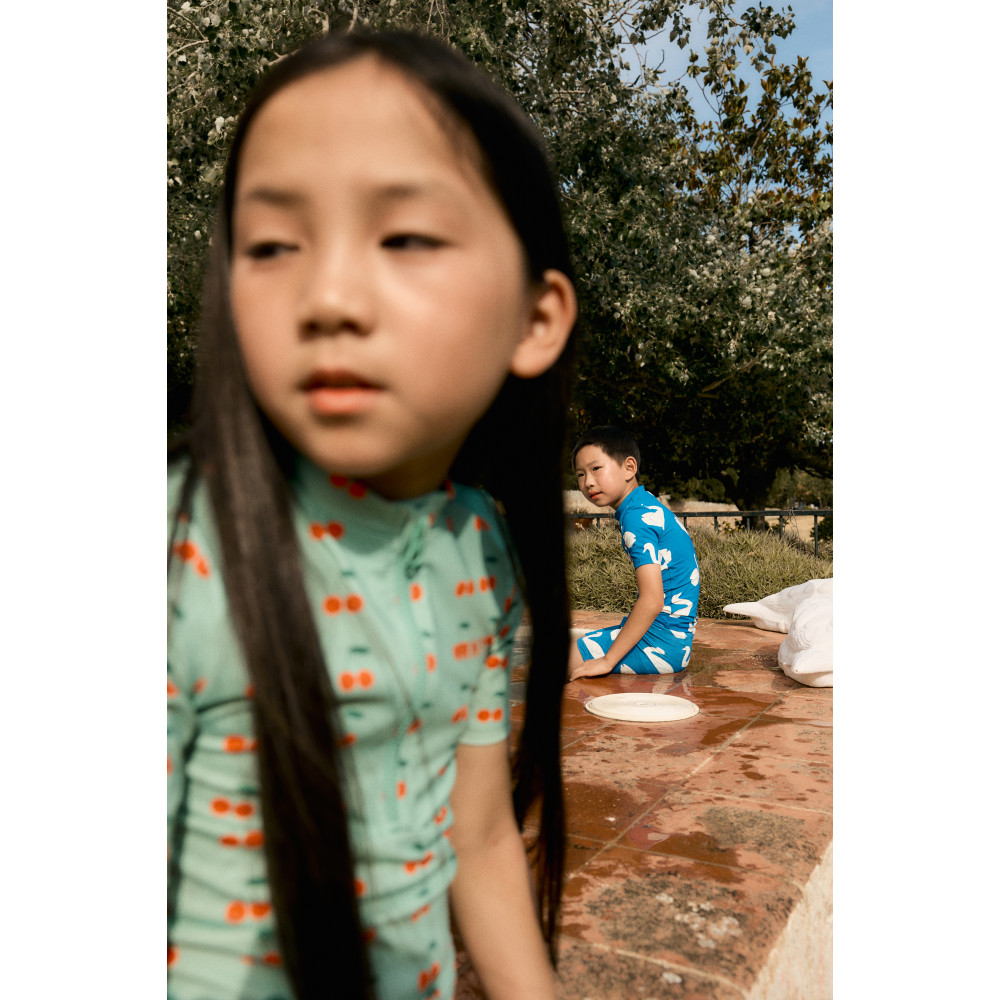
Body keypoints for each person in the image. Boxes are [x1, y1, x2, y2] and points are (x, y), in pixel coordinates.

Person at [167, 29, 578, 1000]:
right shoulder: (185, 552)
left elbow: (479, 838)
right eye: (272, 246)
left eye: (405, 238)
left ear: (535, 319)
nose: (328, 298)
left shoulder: (478, 546)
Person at [567, 426, 699, 681]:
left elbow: (653, 600)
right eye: (580, 474)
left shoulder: (636, 518)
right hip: (675, 641)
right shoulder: (645, 504)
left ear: (629, 468)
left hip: (660, 645)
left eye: (596, 468)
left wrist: (607, 660)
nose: (588, 482)